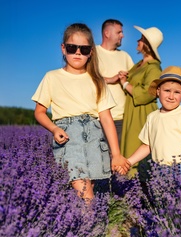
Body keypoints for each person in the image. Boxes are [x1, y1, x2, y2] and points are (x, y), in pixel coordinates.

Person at [31, 23, 130, 202]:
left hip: (95, 137)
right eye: (72, 47)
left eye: (83, 49)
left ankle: (87, 226)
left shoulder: (98, 81)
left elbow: (106, 118)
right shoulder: (52, 77)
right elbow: (39, 112)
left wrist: (116, 154)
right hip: (68, 137)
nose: (78, 53)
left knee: (89, 187)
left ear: (91, 52)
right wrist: (54, 129)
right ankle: (92, 228)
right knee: (85, 192)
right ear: (63, 48)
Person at [117, 65, 181, 174]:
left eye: (177, 92)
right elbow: (147, 145)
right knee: (160, 191)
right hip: (158, 168)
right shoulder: (152, 117)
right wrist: (129, 162)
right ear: (158, 92)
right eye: (167, 90)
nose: (171, 96)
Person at [119, 25, 163, 177]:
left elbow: (148, 93)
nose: (138, 41)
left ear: (147, 45)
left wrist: (125, 83)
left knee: (137, 148)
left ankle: (136, 188)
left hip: (142, 113)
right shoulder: (138, 65)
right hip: (132, 111)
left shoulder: (154, 67)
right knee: (128, 148)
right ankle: (127, 188)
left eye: (141, 39)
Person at [96, 19, 134, 144]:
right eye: (119, 32)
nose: (122, 36)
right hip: (96, 119)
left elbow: (133, 82)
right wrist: (110, 79)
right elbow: (84, 80)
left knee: (117, 161)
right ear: (107, 33)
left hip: (120, 119)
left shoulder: (125, 56)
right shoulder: (92, 53)